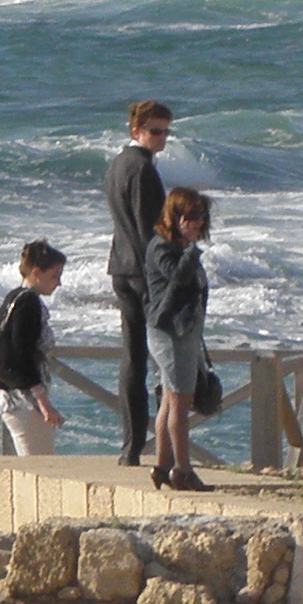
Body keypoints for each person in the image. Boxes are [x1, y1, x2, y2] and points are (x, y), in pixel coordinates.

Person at [105, 100, 173, 461]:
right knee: (165, 356)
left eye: (165, 131)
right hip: (146, 273)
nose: (161, 138)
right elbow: (152, 230)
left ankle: (130, 447)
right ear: (136, 131)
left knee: (132, 358)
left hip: (120, 266)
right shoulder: (144, 169)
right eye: (155, 131)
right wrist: (166, 275)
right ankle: (167, 447)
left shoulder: (117, 164)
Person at [145, 187, 217, 492]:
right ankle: (183, 470)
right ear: (175, 216)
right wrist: (190, 249)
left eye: (200, 218)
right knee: (179, 403)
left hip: (181, 333)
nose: (197, 224)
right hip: (171, 334)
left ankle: (162, 466)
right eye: (190, 217)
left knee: (169, 403)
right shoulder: (163, 248)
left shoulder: (173, 246)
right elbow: (178, 280)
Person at [0, 241, 66, 457]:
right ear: (36, 272)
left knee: (32, 462)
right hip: (22, 398)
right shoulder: (29, 302)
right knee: (39, 465)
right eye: (54, 276)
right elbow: (23, 353)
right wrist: (44, 403)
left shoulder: (13, 297)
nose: (58, 283)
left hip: (7, 394)